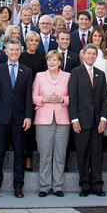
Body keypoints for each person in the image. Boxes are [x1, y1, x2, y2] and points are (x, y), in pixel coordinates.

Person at [0, 38, 33, 198]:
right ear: (6, 52)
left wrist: (28, 116)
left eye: (16, 50)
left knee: (20, 153)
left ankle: (18, 186)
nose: (14, 52)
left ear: (20, 52)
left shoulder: (27, 71)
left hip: (20, 119)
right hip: (1, 118)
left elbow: (29, 96)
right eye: (11, 50)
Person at [68, 43, 107, 196]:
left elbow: (104, 98)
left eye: (94, 54)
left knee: (97, 153)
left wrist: (104, 118)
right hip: (82, 120)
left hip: (97, 121)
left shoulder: (100, 74)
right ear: (83, 55)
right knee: (83, 152)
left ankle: (97, 184)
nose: (91, 56)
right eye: (89, 53)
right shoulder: (76, 72)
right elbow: (73, 98)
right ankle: (85, 184)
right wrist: (74, 119)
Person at [32, 49, 71, 197]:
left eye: (55, 60)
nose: (52, 62)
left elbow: (72, 97)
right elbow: (34, 97)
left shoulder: (68, 76)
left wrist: (63, 100)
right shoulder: (40, 76)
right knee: (45, 154)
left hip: (62, 119)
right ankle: (44, 186)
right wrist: (44, 99)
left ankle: (58, 186)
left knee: (60, 154)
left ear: (60, 62)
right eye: (49, 60)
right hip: (43, 119)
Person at [20, 30, 44, 170]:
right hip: (23, 96)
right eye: (31, 40)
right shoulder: (21, 57)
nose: (33, 43)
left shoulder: (42, 58)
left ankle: (29, 158)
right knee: (24, 129)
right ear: (26, 42)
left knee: (33, 130)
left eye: (36, 41)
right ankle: (24, 158)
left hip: (37, 96)